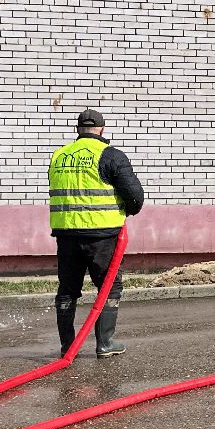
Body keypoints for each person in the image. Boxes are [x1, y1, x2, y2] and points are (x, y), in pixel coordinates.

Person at [48, 109, 144, 358]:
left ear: (78, 129)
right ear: (101, 129)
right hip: (102, 236)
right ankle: (105, 344)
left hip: (66, 235)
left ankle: (68, 347)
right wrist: (127, 210)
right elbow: (135, 196)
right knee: (109, 287)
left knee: (67, 290)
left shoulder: (59, 156)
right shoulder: (110, 156)